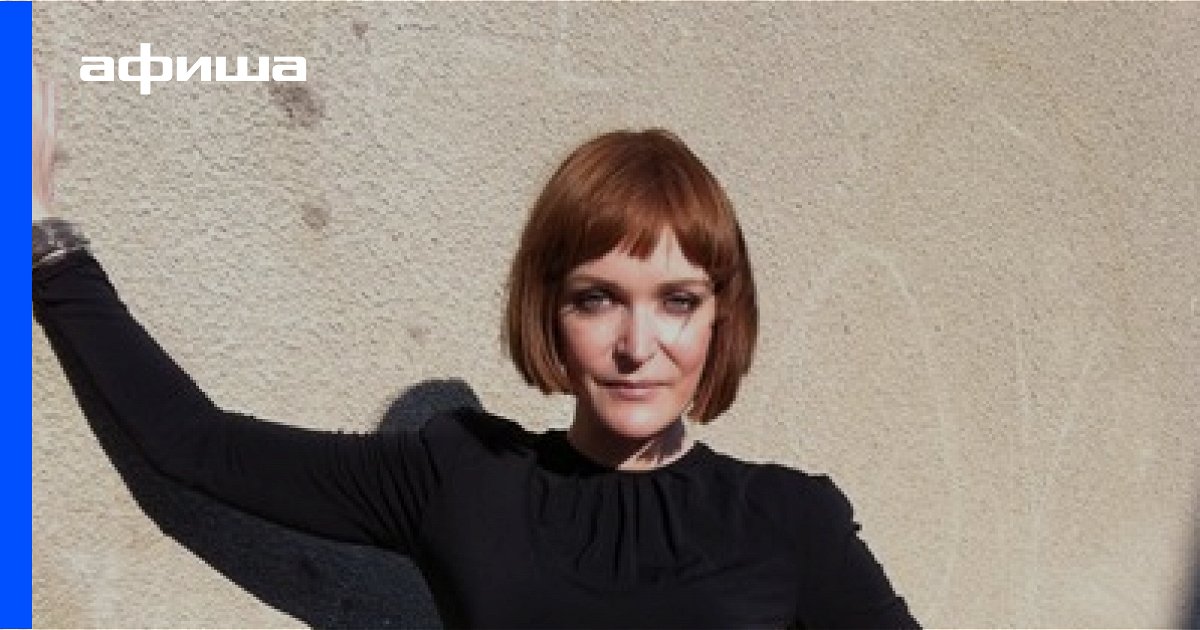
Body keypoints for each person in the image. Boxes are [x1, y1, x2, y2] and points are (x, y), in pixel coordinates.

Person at [32, 72, 919, 628]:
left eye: (678, 302)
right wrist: (41, 238)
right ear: (550, 310)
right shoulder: (463, 476)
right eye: (598, 298)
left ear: (721, 318)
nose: (636, 345)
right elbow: (195, 445)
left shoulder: (789, 519)